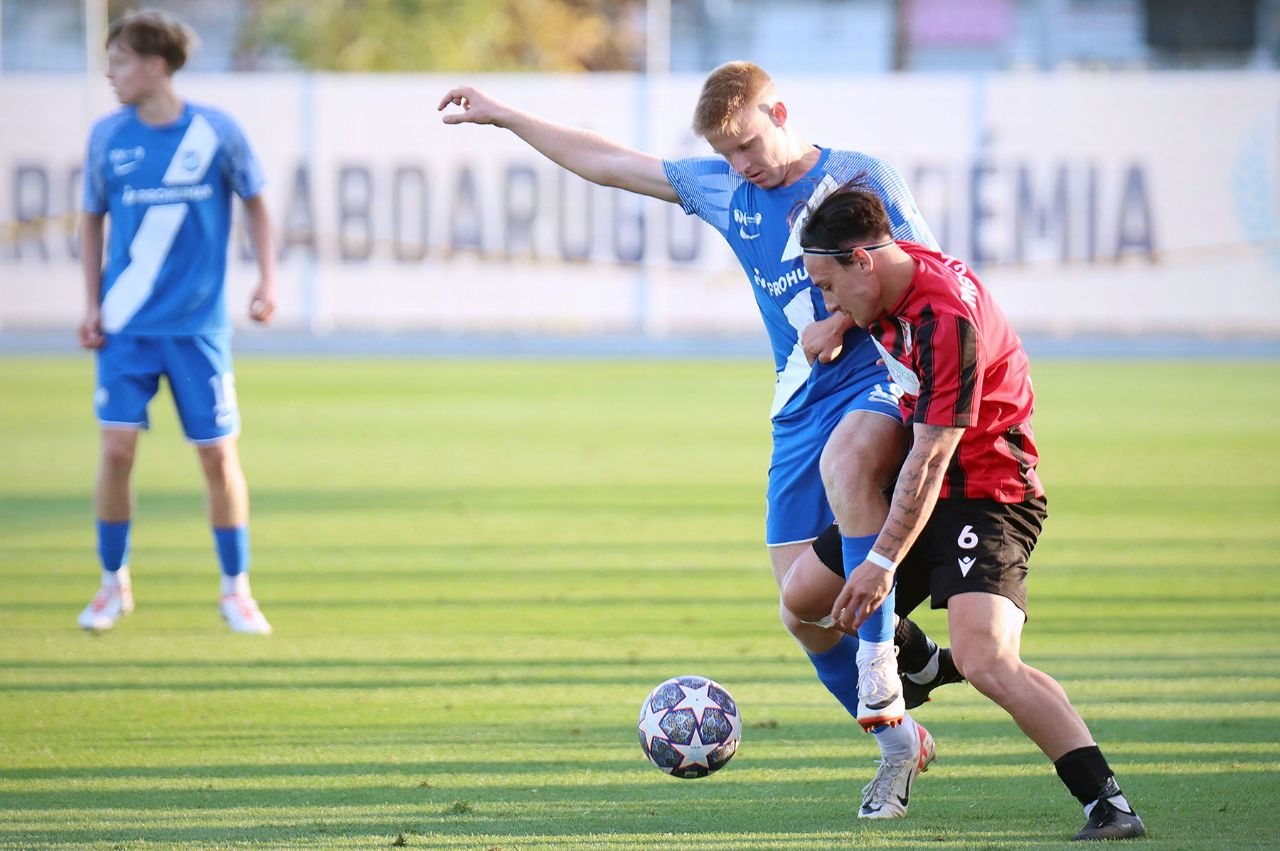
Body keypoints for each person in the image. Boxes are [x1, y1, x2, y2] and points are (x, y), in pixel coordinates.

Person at [438, 62, 961, 818]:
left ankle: (886, 667)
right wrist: (506, 115)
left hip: (877, 380)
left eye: (747, 144)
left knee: (850, 467)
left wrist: (845, 319)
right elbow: (610, 163)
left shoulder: (859, 176)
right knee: (801, 611)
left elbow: (925, 273)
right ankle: (902, 724)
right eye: (725, 153)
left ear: (779, 112)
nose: (740, 164)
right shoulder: (727, 190)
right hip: (798, 402)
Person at [797, 180, 1146, 841]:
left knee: (987, 660)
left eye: (828, 286)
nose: (826, 299)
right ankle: (924, 660)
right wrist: (840, 320)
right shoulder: (888, 275)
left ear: (861, 260)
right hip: (929, 487)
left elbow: (931, 460)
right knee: (804, 601)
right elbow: (869, 298)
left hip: (989, 495)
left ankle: (1109, 804)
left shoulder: (946, 321)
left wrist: (880, 562)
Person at [76, 8, 277, 636]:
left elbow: (258, 204)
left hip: (197, 331)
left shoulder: (215, 131)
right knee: (116, 451)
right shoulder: (107, 137)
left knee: (218, 458)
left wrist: (268, 279)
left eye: (120, 61)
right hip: (127, 328)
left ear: (156, 66)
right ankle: (112, 584)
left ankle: (236, 590)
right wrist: (90, 303)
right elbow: (91, 219)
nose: (111, 73)